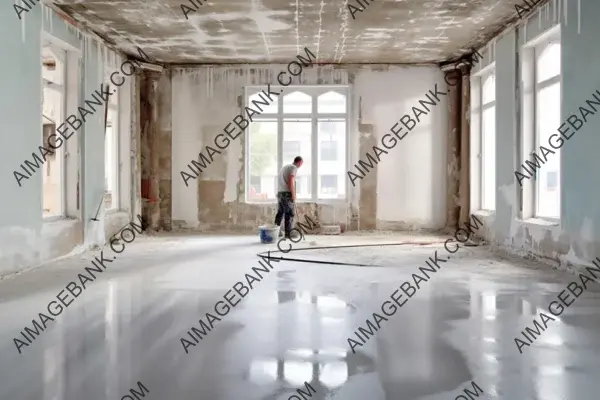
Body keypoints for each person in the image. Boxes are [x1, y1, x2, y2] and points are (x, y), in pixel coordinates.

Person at [275, 156, 303, 239]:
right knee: (289, 214)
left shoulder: (284, 167)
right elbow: (291, 180)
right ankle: (288, 233)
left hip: (280, 194)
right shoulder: (293, 168)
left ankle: (276, 232)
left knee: (280, 213)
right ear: (300, 162)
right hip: (287, 195)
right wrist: (293, 194)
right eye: (301, 164)